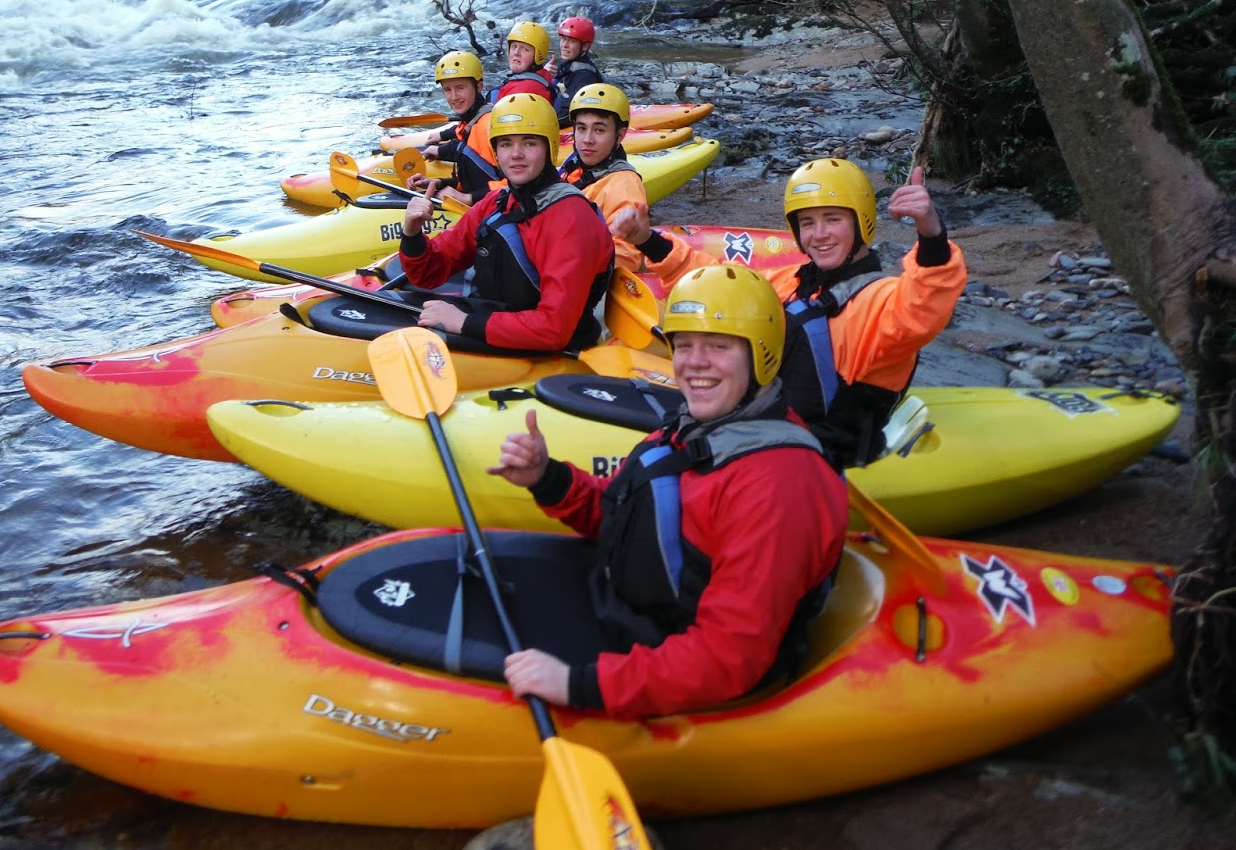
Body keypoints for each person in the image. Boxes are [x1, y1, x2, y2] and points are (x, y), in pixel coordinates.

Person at [488, 263, 848, 719]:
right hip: (630, 610)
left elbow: (728, 657)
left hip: (667, 661)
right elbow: (631, 522)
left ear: (762, 355)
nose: (694, 363)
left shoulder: (779, 487)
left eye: (718, 346)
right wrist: (548, 478)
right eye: (684, 345)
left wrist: (579, 684)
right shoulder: (695, 426)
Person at [612, 158, 968, 469]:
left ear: (862, 222)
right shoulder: (793, 282)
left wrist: (931, 234)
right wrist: (646, 240)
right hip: (767, 430)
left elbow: (926, 301)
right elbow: (717, 285)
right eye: (807, 222)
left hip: (819, 459)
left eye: (833, 219)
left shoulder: (882, 303)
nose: (819, 234)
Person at [400, 92, 614, 352]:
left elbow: (554, 328)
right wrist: (412, 234)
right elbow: (429, 273)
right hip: (500, 321)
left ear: (550, 148)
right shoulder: (497, 202)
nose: (515, 154)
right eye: (505, 144)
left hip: (554, 349)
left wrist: (464, 322)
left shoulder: (572, 219)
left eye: (529, 143)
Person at [556, 83, 650, 272]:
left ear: (620, 135)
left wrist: (558, 263)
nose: (587, 139)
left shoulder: (624, 184)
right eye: (581, 128)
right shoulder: (573, 166)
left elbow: (626, 256)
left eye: (599, 130)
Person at [406, 50, 500, 207]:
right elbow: (479, 178)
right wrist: (437, 182)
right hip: (481, 202)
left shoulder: (488, 128)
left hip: (492, 209)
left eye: (460, 87)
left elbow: (516, 185)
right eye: (447, 90)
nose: (454, 97)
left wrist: (468, 198)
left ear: (479, 87)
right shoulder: (471, 122)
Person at [543, 16, 606, 125]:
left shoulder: (584, 76)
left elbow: (566, 115)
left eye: (571, 41)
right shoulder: (568, 66)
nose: (564, 45)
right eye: (563, 39)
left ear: (585, 46)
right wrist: (543, 76)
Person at [491, 21, 561, 107]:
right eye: (514, 46)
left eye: (525, 49)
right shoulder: (542, 75)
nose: (516, 53)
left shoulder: (522, 93)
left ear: (538, 55)